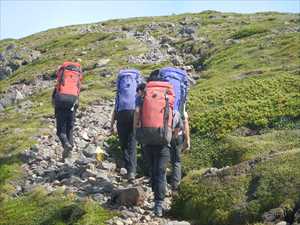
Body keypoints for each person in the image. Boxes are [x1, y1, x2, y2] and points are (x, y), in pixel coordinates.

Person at [134, 70, 173, 217]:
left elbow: (137, 112)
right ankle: (158, 204)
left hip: (147, 138)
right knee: (161, 172)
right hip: (163, 139)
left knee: (153, 170)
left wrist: (136, 131)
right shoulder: (168, 94)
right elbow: (175, 116)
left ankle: (155, 193)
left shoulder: (144, 93)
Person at [110, 69, 142, 181]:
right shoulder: (137, 83)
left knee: (123, 145)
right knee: (132, 144)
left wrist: (111, 125)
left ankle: (129, 169)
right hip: (134, 112)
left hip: (121, 113)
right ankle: (132, 172)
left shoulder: (120, 89)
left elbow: (116, 106)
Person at [52, 61, 83, 161]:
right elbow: (78, 94)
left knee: (60, 131)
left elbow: (54, 98)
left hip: (61, 102)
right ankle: (69, 152)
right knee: (70, 127)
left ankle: (66, 144)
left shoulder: (60, 84)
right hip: (73, 101)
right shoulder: (76, 81)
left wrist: (56, 110)